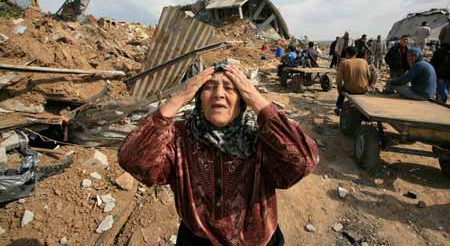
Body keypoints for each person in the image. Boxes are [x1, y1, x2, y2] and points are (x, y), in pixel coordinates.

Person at [118, 63, 319, 246]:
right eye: (208, 87)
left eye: (230, 88)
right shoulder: (180, 138)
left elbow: (304, 161)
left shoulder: (261, 139)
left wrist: (255, 98)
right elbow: (131, 158)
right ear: (197, 98)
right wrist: (179, 98)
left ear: (242, 100)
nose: (218, 94)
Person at [334, 46, 372, 115]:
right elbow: (369, 76)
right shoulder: (364, 61)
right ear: (356, 53)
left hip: (350, 89)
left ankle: (338, 107)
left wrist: (340, 91)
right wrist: (368, 86)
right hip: (363, 88)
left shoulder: (344, 63)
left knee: (342, 90)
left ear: (346, 54)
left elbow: (339, 80)